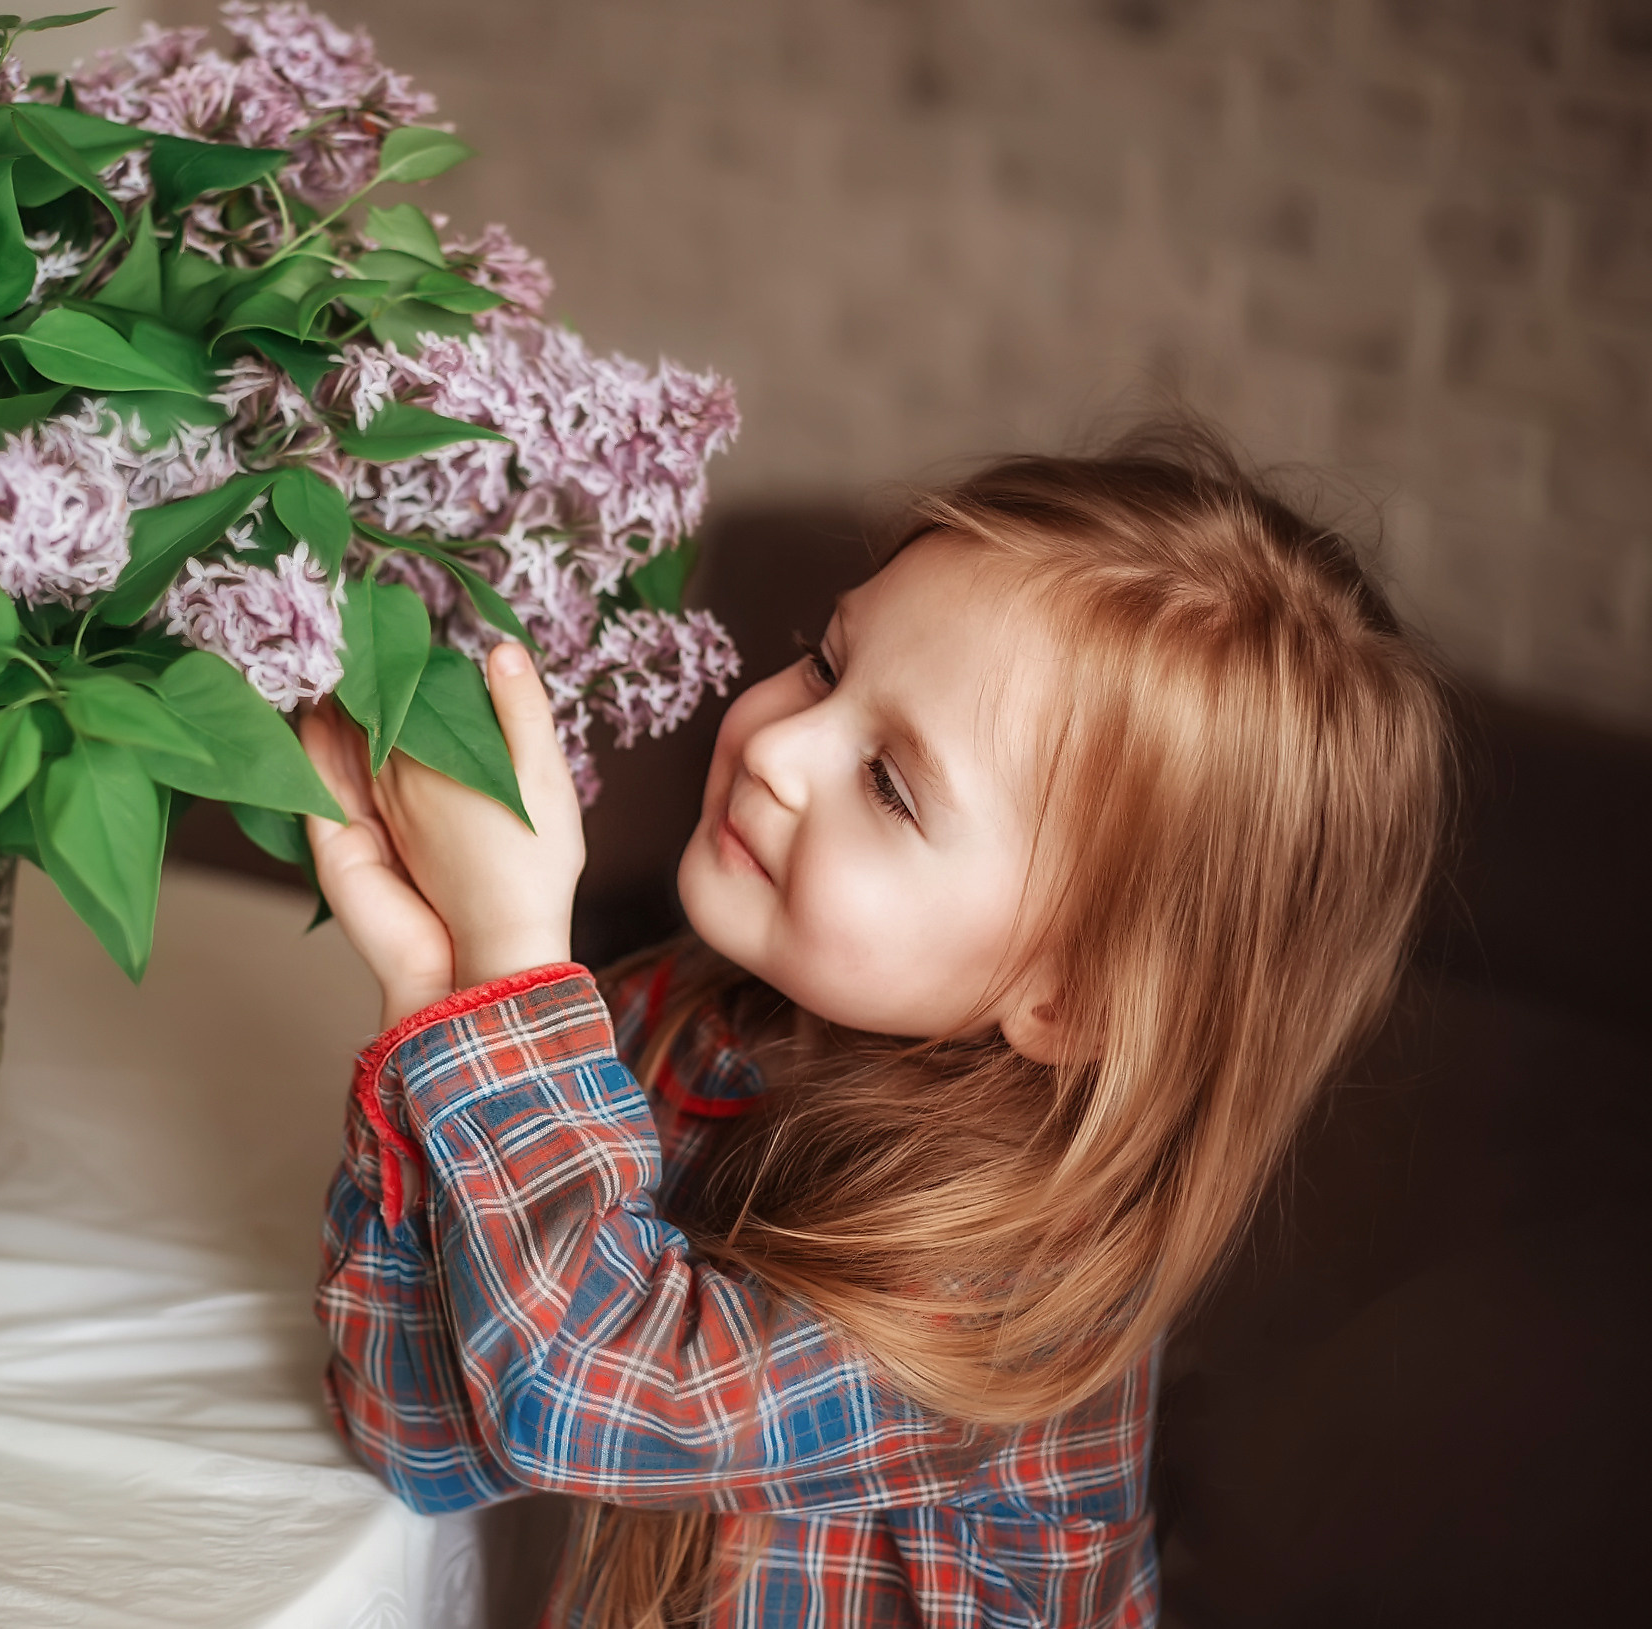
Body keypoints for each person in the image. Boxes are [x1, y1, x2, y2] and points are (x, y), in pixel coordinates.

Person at [298, 426, 1452, 1628]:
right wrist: (435, 991)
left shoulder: (1010, 1304)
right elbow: (426, 1443)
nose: (781, 747)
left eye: (892, 783)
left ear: (1069, 1001)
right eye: (823, 664)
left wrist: (510, 970)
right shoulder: (680, 1023)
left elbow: (575, 1394)